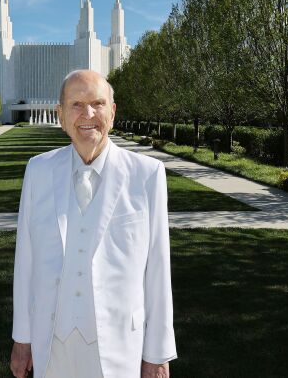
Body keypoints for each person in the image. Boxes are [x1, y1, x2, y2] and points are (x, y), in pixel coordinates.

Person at [10, 70, 176, 378]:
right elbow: (26, 261)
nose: (88, 114)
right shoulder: (38, 171)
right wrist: (22, 338)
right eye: (76, 104)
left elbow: (158, 269)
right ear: (60, 115)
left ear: (112, 113)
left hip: (119, 347)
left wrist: (158, 353)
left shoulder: (148, 174)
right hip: (52, 346)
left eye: (98, 103)